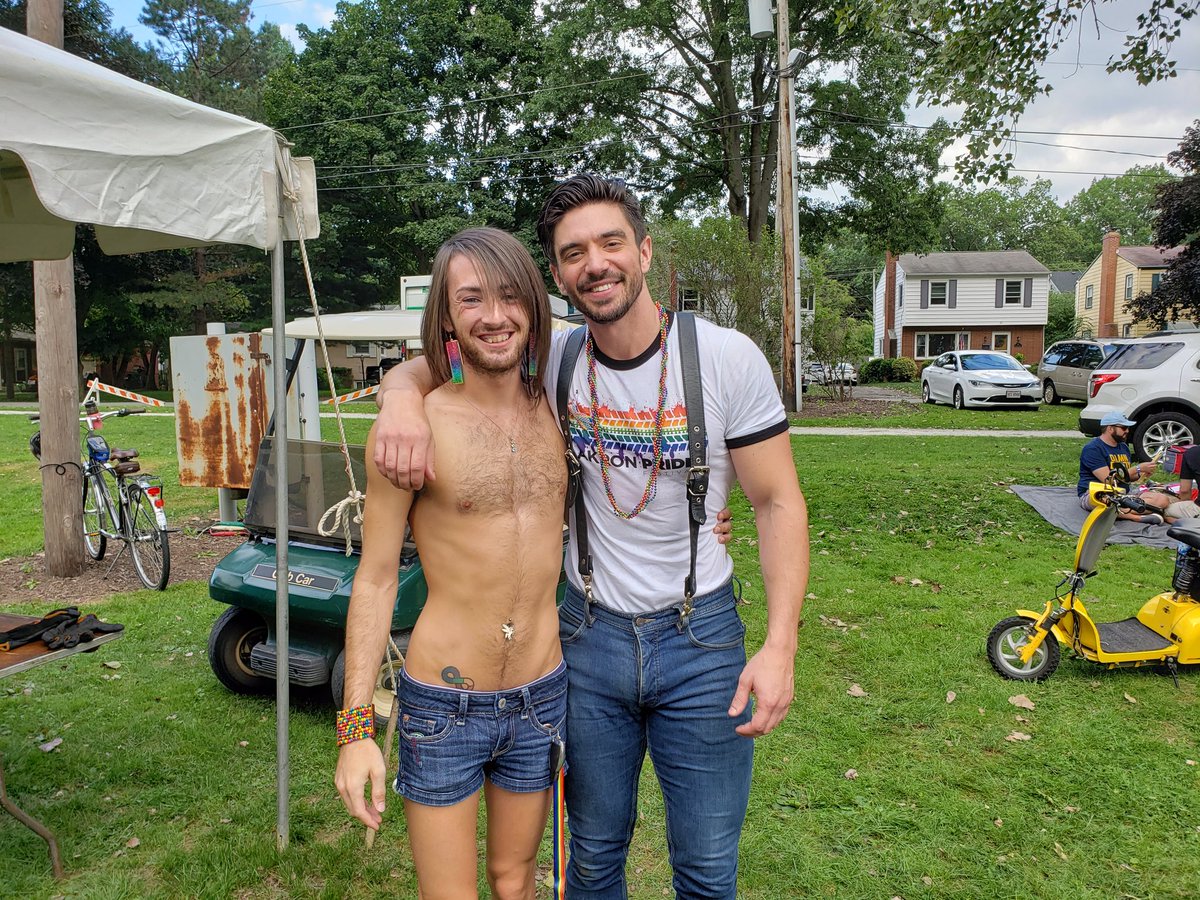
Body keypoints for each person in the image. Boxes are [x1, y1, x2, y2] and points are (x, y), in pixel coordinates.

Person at [373, 174, 810, 899]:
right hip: (587, 640)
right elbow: (451, 358)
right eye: (574, 252)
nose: (595, 263)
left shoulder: (728, 358)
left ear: (643, 250)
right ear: (558, 275)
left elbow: (778, 502)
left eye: (611, 243)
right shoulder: (556, 363)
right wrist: (396, 395)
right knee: (593, 859)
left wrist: (781, 645)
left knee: (705, 868)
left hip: (699, 641)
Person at [334, 227, 568, 900]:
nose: (493, 316)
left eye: (508, 296)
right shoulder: (414, 428)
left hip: (542, 695)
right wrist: (355, 730)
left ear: (532, 304)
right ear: (445, 315)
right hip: (444, 705)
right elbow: (376, 578)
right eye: (472, 299)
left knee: (515, 878)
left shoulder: (560, 408)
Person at [1077, 411, 1166, 524]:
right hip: (1098, 492)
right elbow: (1108, 480)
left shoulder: (1123, 447)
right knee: (1105, 501)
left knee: (1162, 500)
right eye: (1123, 428)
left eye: (1127, 428)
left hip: (1123, 493)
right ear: (1110, 428)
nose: (1127, 431)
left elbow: (1126, 478)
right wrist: (1137, 468)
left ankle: (1122, 511)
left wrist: (1141, 473)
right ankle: (1135, 517)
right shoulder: (1093, 449)